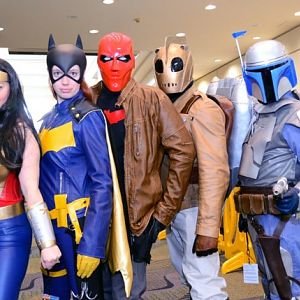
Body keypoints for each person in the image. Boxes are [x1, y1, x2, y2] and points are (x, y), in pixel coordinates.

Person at [90, 32, 195, 300]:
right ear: (98, 61)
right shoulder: (87, 100)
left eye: (122, 58)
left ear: (133, 61)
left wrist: (162, 215)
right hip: (95, 222)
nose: (115, 66)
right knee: (94, 292)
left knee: (126, 293)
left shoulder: (152, 100)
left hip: (136, 222)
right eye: (107, 58)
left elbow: (183, 151)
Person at [154, 35, 229, 299]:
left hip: (196, 209)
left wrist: (208, 228)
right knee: (189, 275)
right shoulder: (168, 106)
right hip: (177, 209)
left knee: (205, 282)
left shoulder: (203, 109)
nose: (168, 73)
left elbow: (214, 170)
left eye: (174, 65)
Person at [39, 35, 112, 300]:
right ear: (50, 76)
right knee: (55, 295)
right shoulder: (47, 121)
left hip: (78, 229)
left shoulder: (88, 116)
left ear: (81, 74)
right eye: (58, 74)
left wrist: (92, 244)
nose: (65, 81)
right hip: (52, 231)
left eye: (72, 73)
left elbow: (103, 183)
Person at [235, 39, 300, 299]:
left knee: (291, 285)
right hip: (258, 220)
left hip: (287, 219)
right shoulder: (256, 115)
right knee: (272, 282)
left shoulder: (294, 114)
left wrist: (296, 194)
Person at [0, 58, 61, 300]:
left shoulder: (20, 132)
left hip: (9, 232)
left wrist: (47, 243)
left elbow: (31, 190)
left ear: (11, 88)